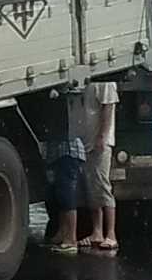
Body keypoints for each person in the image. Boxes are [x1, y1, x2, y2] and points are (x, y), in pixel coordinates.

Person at [80, 81, 119, 252]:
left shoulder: (106, 82)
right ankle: (97, 231)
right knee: (92, 187)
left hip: (100, 142)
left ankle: (111, 234)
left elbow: (109, 106)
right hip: (88, 142)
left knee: (103, 185)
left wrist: (102, 136)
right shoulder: (88, 79)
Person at [46, 120, 87, 255]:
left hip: (69, 151)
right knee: (60, 194)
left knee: (67, 194)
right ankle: (63, 233)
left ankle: (71, 239)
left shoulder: (66, 109)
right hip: (61, 152)